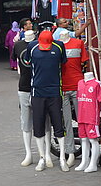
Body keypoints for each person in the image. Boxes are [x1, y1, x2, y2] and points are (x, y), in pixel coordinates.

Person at [22, 30, 69, 172]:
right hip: (37, 91)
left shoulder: (59, 46)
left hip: (55, 91)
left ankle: (62, 158)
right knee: (38, 125)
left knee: (58, 125)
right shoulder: (32, 47)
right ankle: (42, 157)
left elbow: (63, 64)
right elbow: (26, 63)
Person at [57, 28, 88, 167]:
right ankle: (70, 152)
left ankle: (86, 151)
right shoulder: (56, 45)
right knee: (67, 122)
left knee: (83, 120)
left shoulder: (78, 43)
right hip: (63, 87)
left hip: (78, 86)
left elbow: (85, 63)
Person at [14, 29, 37, 166]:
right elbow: (16, 61)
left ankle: (44, 153)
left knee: (43, 122)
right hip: (23, 86)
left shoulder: (40, 44)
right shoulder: (18, 45)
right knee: (26, 122)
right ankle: (28, 153)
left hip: (39, 87)